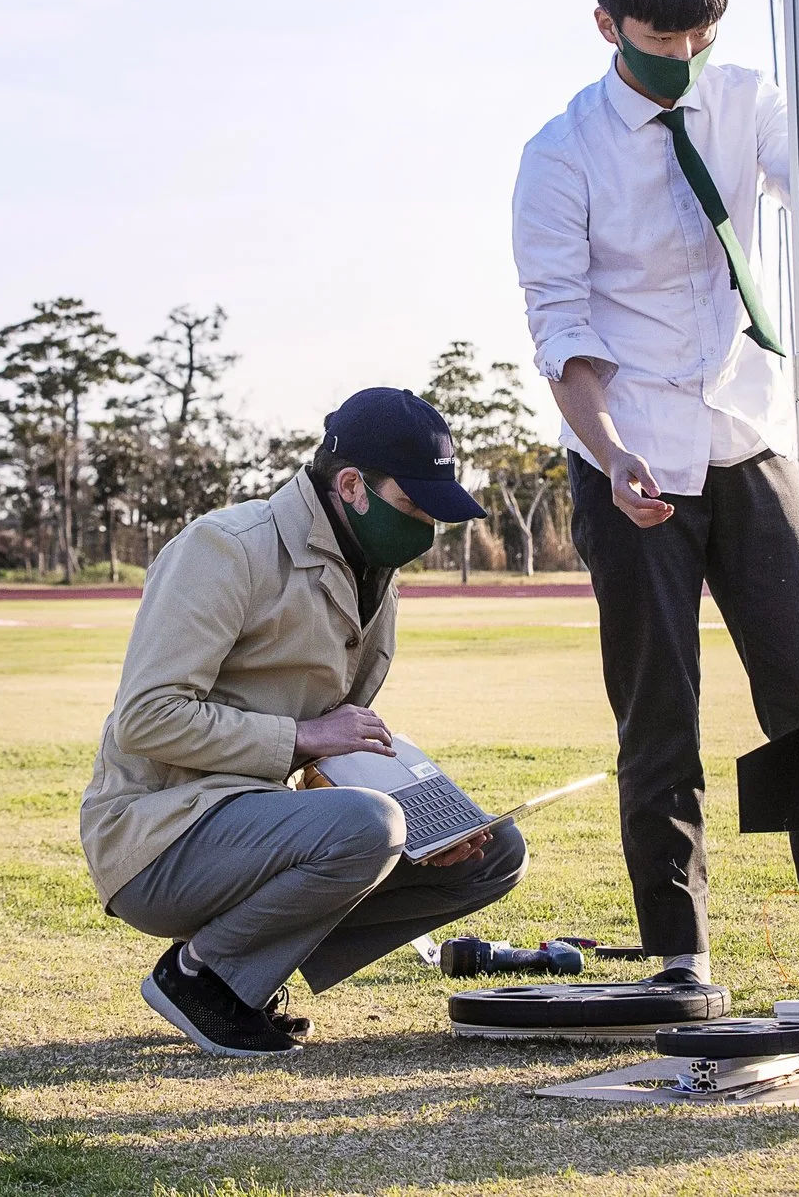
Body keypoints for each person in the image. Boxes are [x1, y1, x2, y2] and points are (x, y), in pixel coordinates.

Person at [510, 0, 799, 989]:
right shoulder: (558, 154)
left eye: (700, 35)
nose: (680, 58)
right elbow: (561, 331)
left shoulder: (749, 102)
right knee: (659, 718)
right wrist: (610, 450)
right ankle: (679, 954)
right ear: (604, 22)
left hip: (746, 436)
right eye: (657, 36)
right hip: (628, 457)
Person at [80, 387, 525, 1057]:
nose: (426, 528)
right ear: (351, 485)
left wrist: (429, 820)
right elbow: (146, 717)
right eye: (413, 505)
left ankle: (244, 975)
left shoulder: (372, 569)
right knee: (371, 827)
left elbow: (338, 735)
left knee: (493, 853)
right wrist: (303, 739)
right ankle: (202, 976)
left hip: (258, 820)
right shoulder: (225, 548)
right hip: (156, 835)